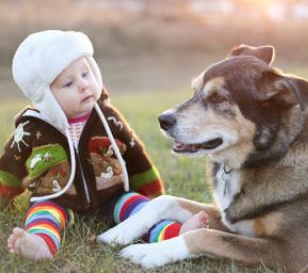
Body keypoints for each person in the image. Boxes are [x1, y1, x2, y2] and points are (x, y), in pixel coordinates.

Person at [1, 30, 209, 261]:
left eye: (85, 73)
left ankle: (174, 233)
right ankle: (40, 244)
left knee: (140, 210)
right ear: (45, 97)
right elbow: (10, 165)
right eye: (69, 83)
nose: (83, 85)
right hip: (56, 197)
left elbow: (134, 154)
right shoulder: (33, 129)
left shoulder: (107, 118)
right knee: (43, 215)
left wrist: (152, 194)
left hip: (112, 196)